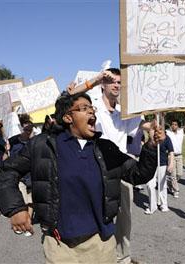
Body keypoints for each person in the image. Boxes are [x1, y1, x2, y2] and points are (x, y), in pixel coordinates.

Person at [0, 92, 164, 263]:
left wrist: (151, 146)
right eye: (85, 108)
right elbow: (8, 172)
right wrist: (15, 209)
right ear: (68, 117)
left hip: (101, 244)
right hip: (59, 245)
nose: (92, 112)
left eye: (92, 108)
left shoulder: (106, 148)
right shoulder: (42, 145)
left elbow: (138, 174)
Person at [68, 68, 150, 264]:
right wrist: (96, 78)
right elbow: (71, 97)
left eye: (120, 82)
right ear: (104, 85)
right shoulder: (92, 106)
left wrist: (154, 125)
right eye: (112, 81)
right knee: (95, 213)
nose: (116, 85)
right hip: (94, 167)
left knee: (125, 217)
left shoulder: (125, 111)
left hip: (121, 167)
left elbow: (142, 126)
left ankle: (122, 256)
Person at [145, 130, 174, 214]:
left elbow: (171, 151)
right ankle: (152, 206)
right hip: (151, 164)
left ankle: (163, 204)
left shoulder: (166, 138)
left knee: (162, 185)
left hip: (162, 164)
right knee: (150, 184)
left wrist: (171, 163)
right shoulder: (151, 138)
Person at [165, 115, 185, 198]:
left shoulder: (181, 132)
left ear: (178, 125)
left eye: (175, 124)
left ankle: (169, 183)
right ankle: (176, 190)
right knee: (173, 175)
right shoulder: (167, 132)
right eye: (172, 124)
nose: (173, 126)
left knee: (179, 174)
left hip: (179, 156)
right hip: (171, 156)